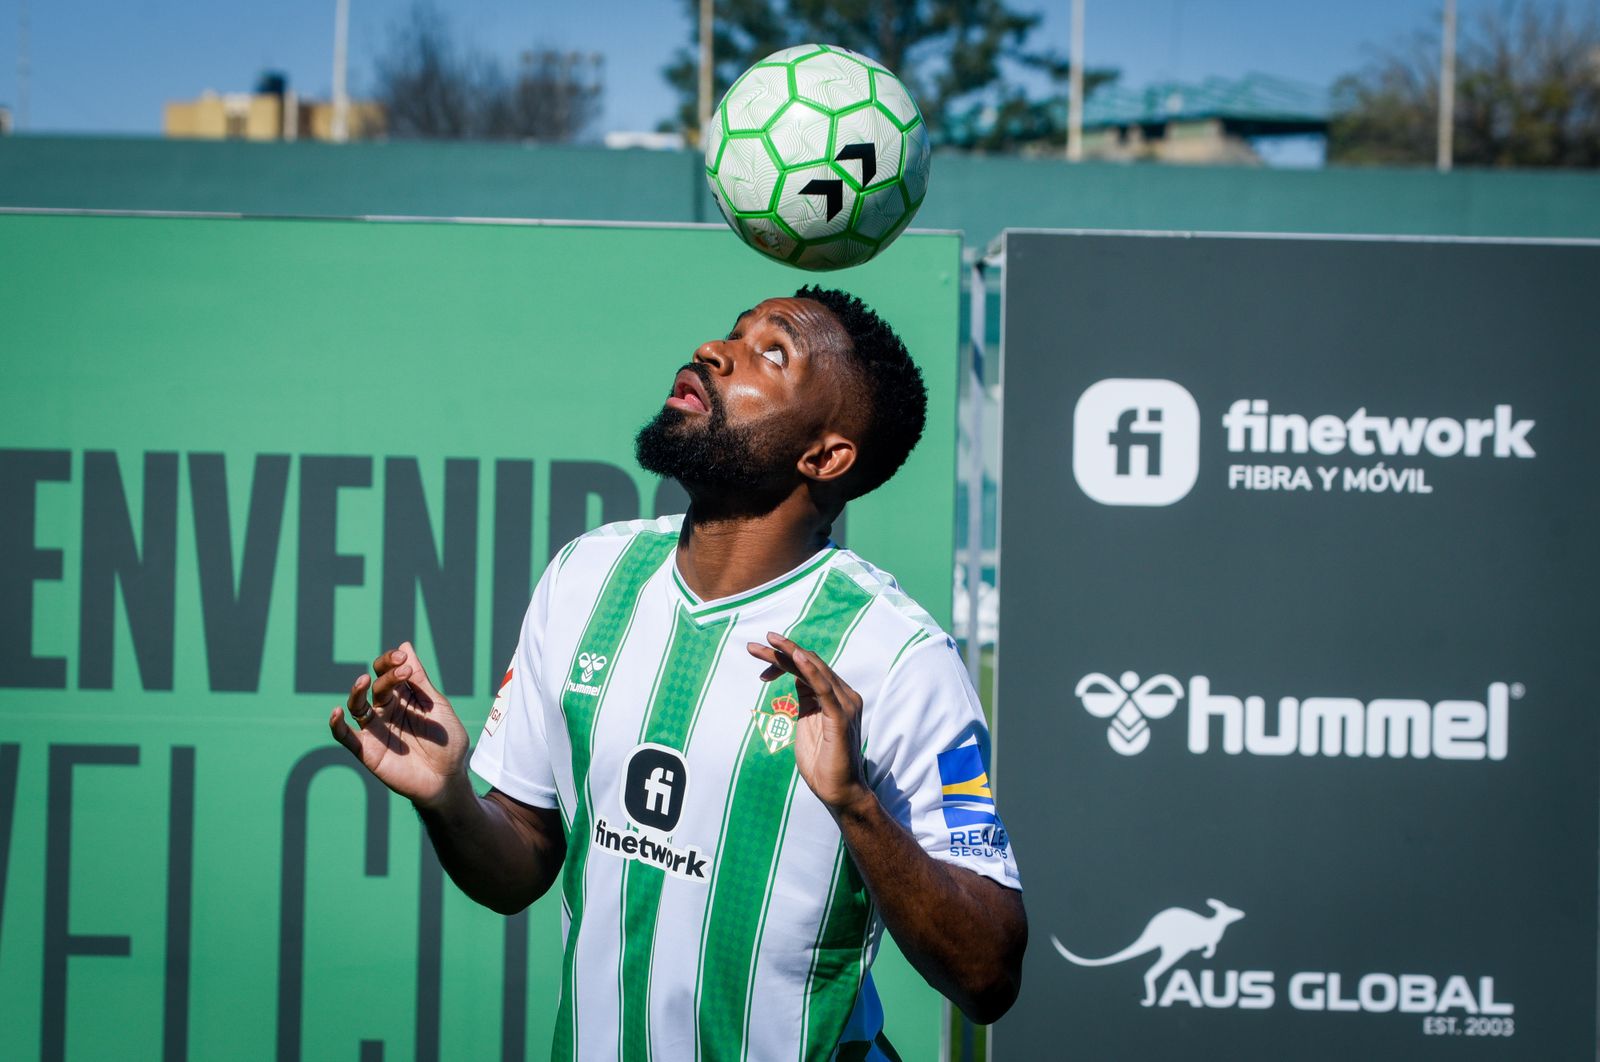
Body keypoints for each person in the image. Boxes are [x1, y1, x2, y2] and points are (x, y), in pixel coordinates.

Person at [329, 286, 1026, 1060]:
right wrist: (449, 799)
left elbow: (989, 973)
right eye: (732, 332)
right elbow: (520, 861)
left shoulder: (896, 656)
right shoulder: (588, 576)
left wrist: (855, 803)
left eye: (772, 353)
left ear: (824, 456)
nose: (714, 352)